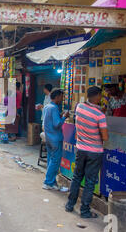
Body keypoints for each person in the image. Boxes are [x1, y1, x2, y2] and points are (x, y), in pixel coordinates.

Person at [65, 86, 109, 218]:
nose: (100, 98)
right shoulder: (100, 115)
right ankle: (84, 211)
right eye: (100, 96)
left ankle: (69, 205)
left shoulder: (79, 107)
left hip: (81, 149)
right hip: (94, 152)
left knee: (77, 177)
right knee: (90, 182)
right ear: (96, 96)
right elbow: (105, 137)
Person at [42, 89, 69, 190]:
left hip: (49, 138)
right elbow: (57, 124)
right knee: (55, 161)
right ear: (57, 97)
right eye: (61, 97)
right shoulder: (54, 108)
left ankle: (52, 182)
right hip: (55, 138)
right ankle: (48, 182)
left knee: (51, 160)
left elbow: (49, 121)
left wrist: (60, 115)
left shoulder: (47, 107)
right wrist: (64, 117)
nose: (62, 99)